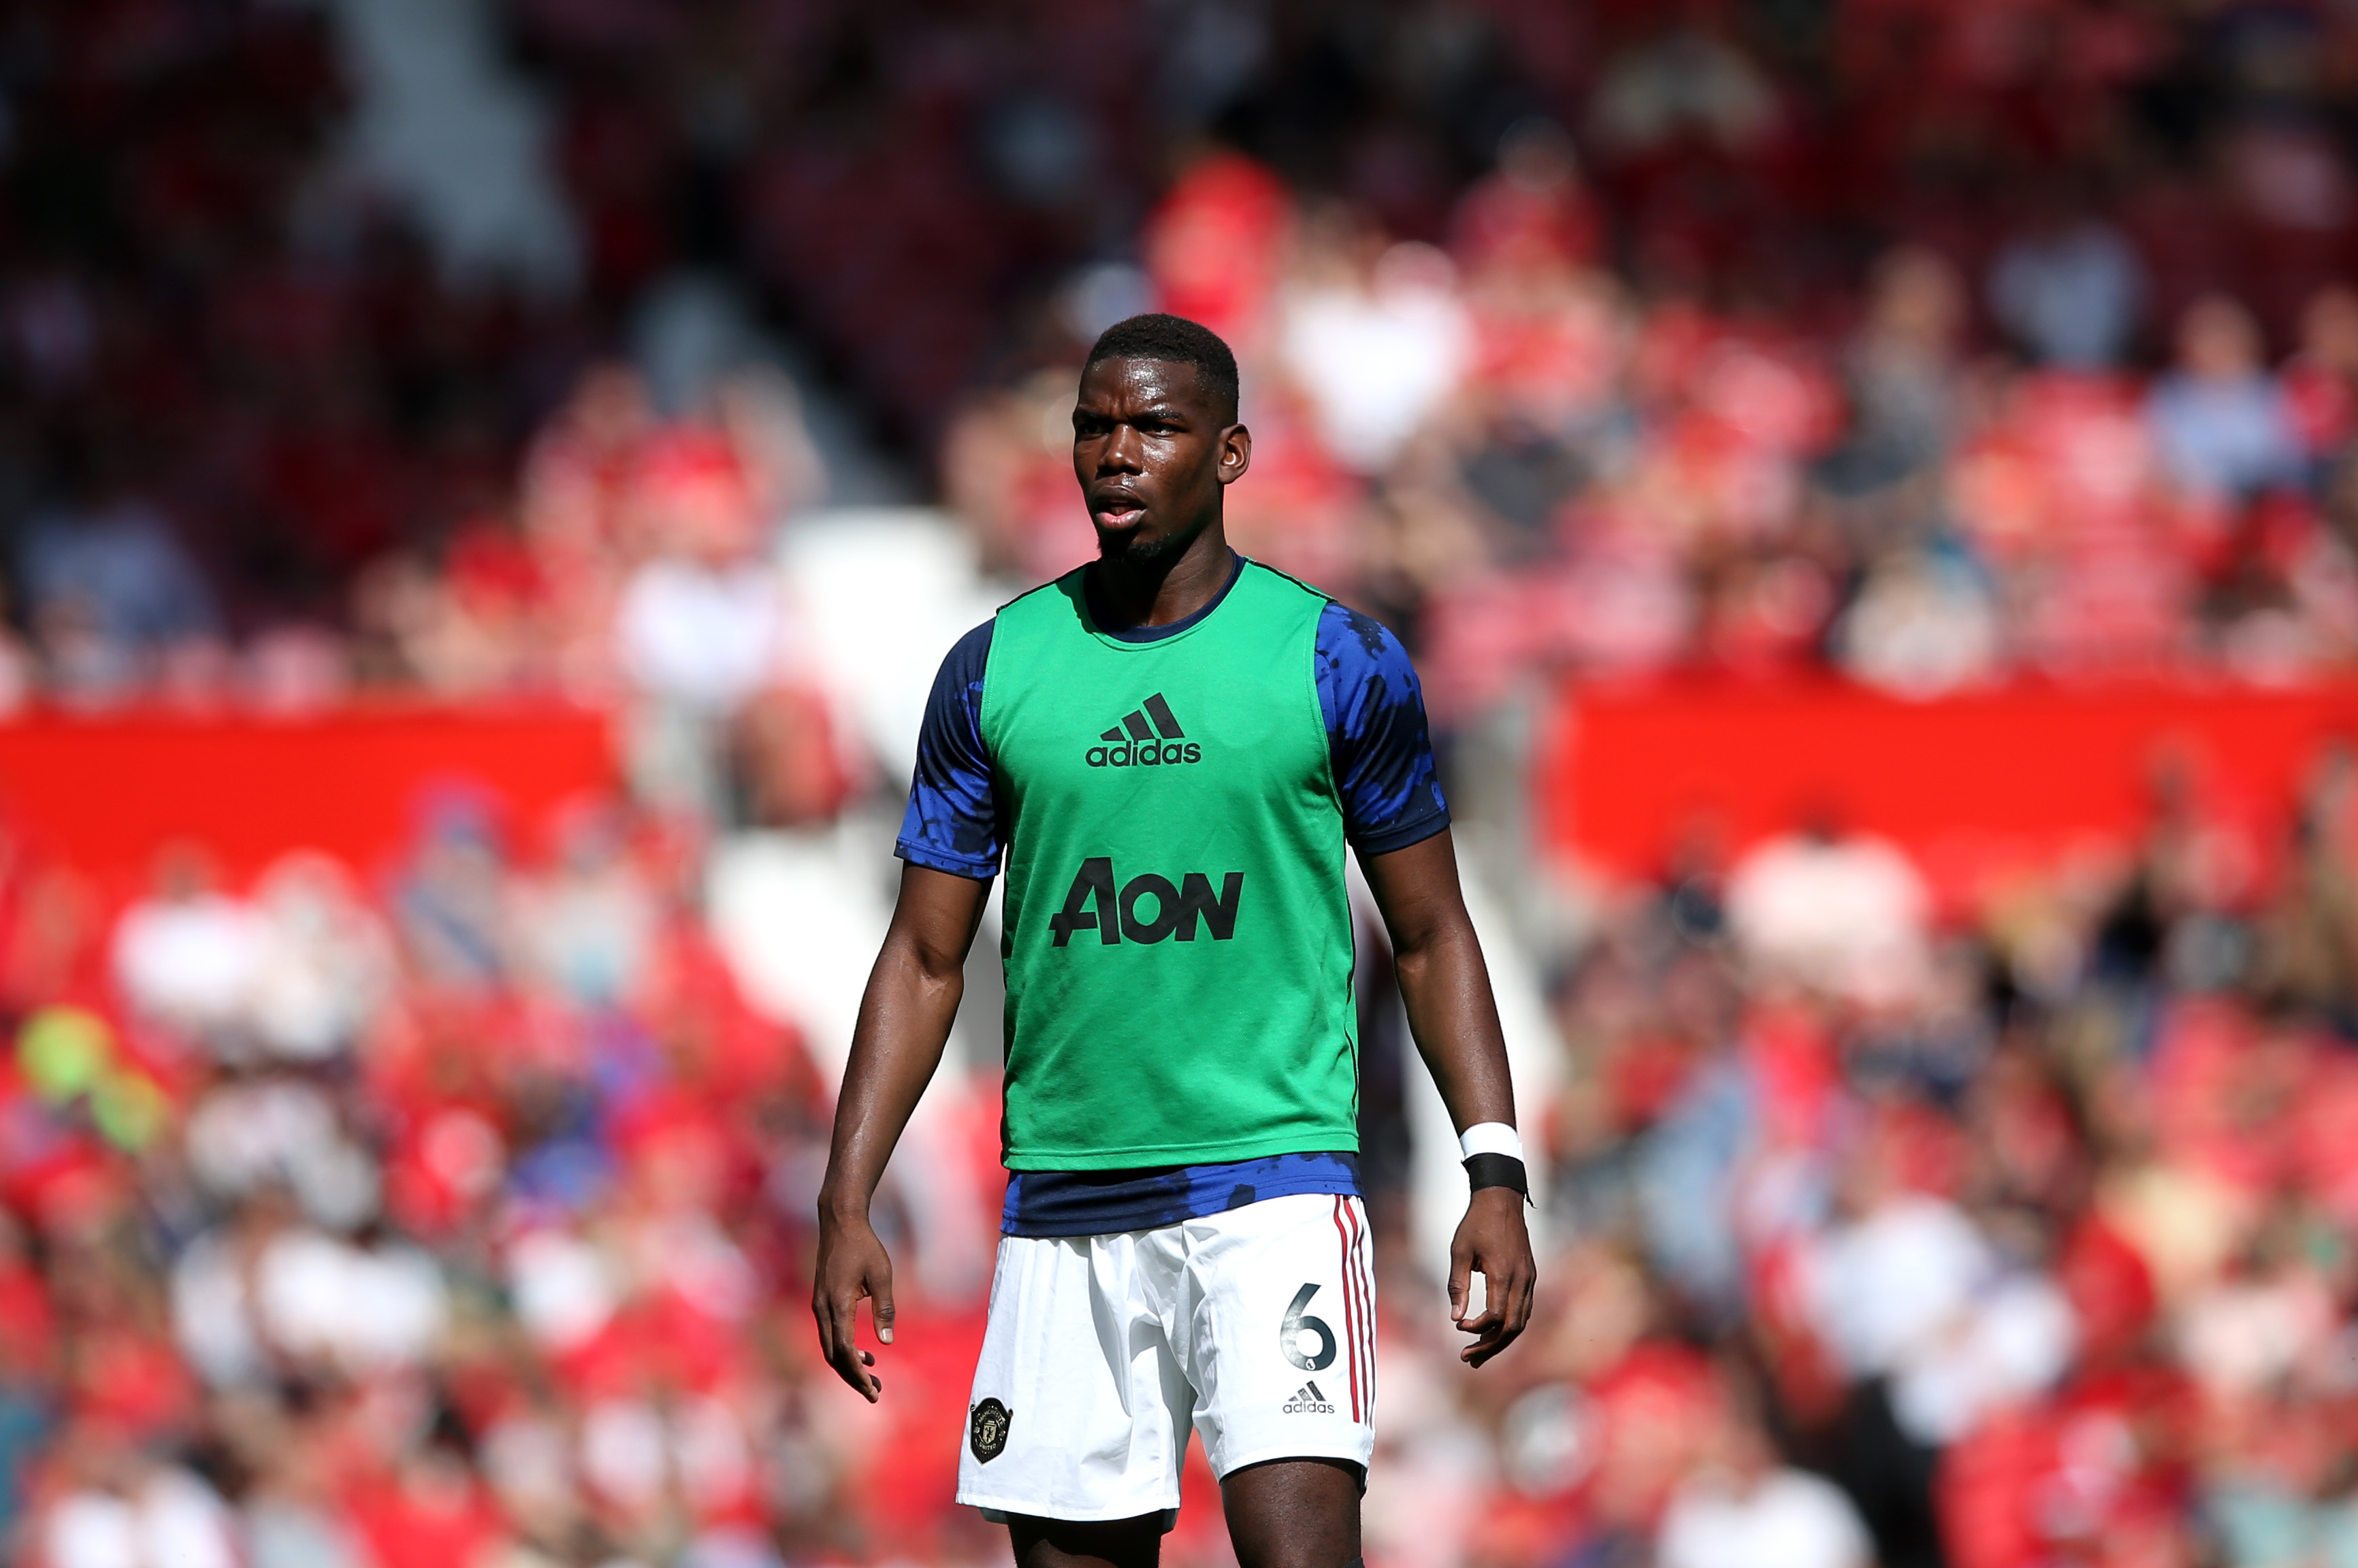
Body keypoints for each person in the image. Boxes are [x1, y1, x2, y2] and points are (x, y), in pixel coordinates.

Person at [811, 313, 1536, 1568]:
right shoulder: (994, 671)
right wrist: (844, 1193)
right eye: (1095, 426)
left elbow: (1430, 934)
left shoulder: (1336, 661)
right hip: (1065, 1204)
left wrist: (1494, 1168)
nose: (1117, 453)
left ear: (1232, 451)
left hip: (1280, 1193)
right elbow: (927, 958)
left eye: (1154, 426)